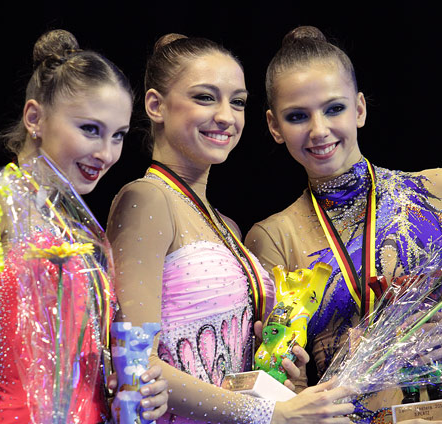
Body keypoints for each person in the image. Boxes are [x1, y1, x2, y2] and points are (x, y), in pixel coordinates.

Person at [245, 26, 442, 422]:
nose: (319, 130)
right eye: (297, 116)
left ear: (359, 108)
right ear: (275, 126)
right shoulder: (273, 237)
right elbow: (281, 387)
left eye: (334, 108)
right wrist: (291, 386)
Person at [0, 29, 167, 423]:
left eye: (118, 135)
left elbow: (93, 369)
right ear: (34, 117)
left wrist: (138, 390)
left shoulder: (87, 232)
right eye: (90, 129)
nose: (106, 153)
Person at [106, 32, 355, 424]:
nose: (226, 116)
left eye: (237, 102)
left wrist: (278, 371)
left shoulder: (228, 226)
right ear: (155, 105)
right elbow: (137, 365)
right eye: (205, 97)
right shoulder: (146, 199)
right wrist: (274, 413)